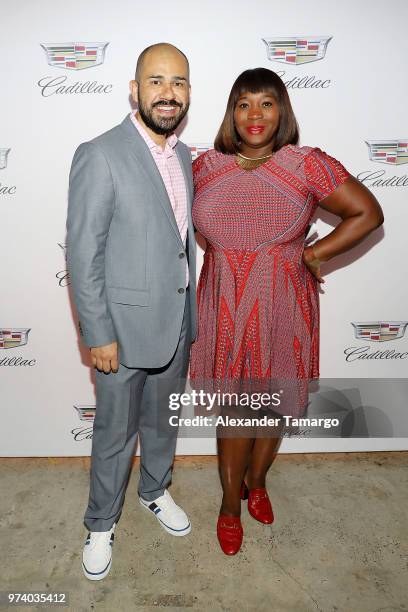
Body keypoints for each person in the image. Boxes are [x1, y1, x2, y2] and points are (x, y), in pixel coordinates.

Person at [190, 68, 383, 555]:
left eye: (267, 103)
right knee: (236, 409)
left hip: (283, 302)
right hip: (224, 302)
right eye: (244, 104)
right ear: (231, 113)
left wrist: (314, 255)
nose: (255, 115)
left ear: (283, 111)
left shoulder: (306, 164)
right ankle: (230, 506)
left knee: (272, 405)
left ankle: (258, 482)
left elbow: (367, 212)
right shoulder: (204, 167)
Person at [67, 42, 197, 580]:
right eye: (156, 81)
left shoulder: (185, 155)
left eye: (179, 83)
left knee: (163, 423)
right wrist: (98, 332)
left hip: (175, 325)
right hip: (119, 333)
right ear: (134, 89)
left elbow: (179, 242)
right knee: (115, 434)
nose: (168, 93)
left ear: (188, 93)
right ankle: (100, 523)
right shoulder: (100, 153)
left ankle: (155, 491)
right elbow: (83, 252)